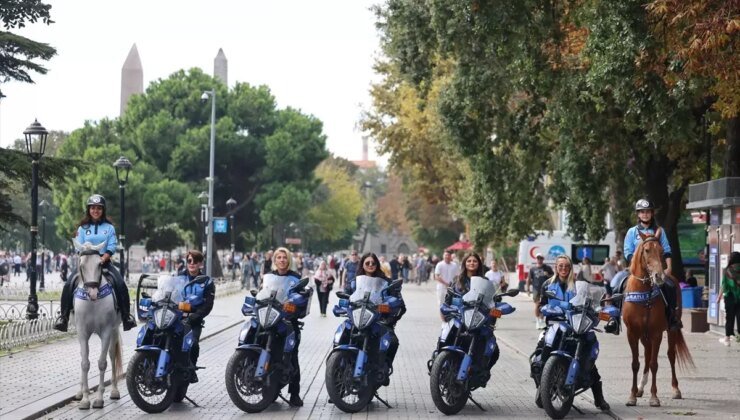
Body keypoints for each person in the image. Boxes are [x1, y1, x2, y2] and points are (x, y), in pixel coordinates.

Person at [54, 194, 137, 332]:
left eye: (99, 208)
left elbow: (112, 245)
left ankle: (126, 317)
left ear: (103, 210)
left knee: (121, 284)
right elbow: (78, 246)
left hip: (104, 262)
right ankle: (63, 317)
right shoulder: (82, 228)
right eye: (93, 208)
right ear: (89, 210)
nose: (96, 211)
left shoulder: (109, 228)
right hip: (86, 264)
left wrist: (103, 258)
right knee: (68, 284)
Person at [537, 254, 610, 411]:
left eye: (566, 266)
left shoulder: (578, 285)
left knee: (589, 357)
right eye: (560, 266)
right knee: (541, 353)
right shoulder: (547, 285)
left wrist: (598, 310)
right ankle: (541, 390)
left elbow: (590, 302)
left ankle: (599, 398)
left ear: (571, 268)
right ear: (556, 267)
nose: (563, 268)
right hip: (555, 325)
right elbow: (541, 304)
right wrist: (546, 309)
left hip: (576, 325)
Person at [623, 198, 682, 330]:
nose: (645, 214)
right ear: (638, 214)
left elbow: (666, 250)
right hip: (635, 270)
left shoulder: (659, 231)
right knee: (616, 284)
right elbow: (627, 251)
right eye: (642, 212)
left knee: (671, 286)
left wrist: (669, 267)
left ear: (652, 213)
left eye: (648, 211)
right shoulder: (632, 232)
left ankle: (672, 316)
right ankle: (614, 318)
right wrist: (635, 263)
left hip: (656, 269)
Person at [349, 252, 405, 372]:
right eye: (367, 263)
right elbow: (348, 296)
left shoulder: (386, 281)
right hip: (357, 318)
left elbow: (400, 304)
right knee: (343, 330)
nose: (370, 265)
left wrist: (390, 317)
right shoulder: (355, 281)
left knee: (392, 341)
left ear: (377, 264)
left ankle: (384, 368)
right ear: (362, 264)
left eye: (373, 263)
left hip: (378, 320)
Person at [267, 247, 308, 407]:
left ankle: (295, 393)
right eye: (279, 257)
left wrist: (294, 308)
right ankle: (269, 389)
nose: (282, 260)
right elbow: (262, 293)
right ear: (275, 260)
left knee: (292, 356)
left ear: (289, 260)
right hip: (269, 320)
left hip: (288, 323)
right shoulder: (269, 277)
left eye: (284, 257)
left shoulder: (295, 278)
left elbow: (302, 300)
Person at [179, 250, 215, 383]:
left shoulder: (206, 282)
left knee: (193, 344)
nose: (192, 264)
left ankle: (191, 369)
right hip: (177, 317)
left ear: (200, 264)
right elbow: (170, 292)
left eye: (195, 261)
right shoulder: (179, 278)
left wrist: (196, 315)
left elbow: (208, 304)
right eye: (189, 261)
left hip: (193, 320)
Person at [717, 252, 740, 346]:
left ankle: (727, 339)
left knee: (729, 318)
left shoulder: (728, 270)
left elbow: (724, 285)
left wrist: (719, 296)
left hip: (730, 297)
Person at [527, 253, 554, 329]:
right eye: (538, 258)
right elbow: (529, 279)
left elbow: (553, 277)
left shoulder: (547, 268)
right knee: (537, 304)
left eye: (541, 258)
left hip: (545, 289)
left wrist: (548, 275)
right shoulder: (533, 269)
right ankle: (537, 320)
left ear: (543, 259)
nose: (539, 260)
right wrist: (528, 289)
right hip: (536, 289)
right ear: (536, 259)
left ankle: (541, 320)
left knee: (544, 306)